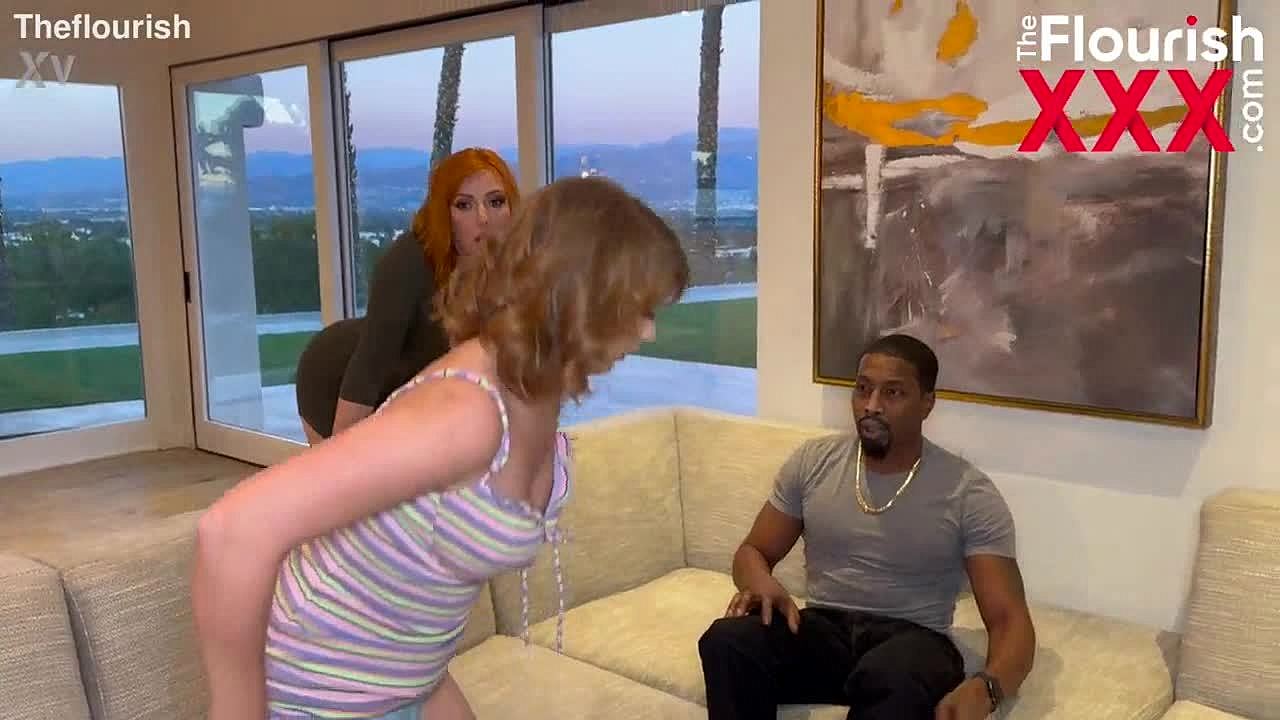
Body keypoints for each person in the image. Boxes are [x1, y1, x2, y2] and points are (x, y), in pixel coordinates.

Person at [191, 175, 691, 720]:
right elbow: (233, 531)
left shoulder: (536, 390)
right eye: (638, 309)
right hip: (316, 694)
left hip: (406, 684)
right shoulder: (466, 411)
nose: (648, 333)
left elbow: (415, 587)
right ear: (579, 297)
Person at [697, 334, 1036, 720]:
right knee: (727, 641)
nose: (871, 406)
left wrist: (987, 689)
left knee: (894, 677)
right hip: (823, 630)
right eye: (863, 389)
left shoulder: (968, 493)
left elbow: (1010, 621)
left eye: (892, 393)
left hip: (914, 640)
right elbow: (753, 551)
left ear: (927, 403)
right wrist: (759, 581)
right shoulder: (813, 462)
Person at [293, 147, 520, 445]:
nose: (483, 217)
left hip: (420, 393)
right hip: (336, 379)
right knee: (357, 473)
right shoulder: (410, 260)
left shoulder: (518, 265)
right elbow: (368, 369)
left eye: (496, 202)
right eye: (464, 205)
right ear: (443, 213)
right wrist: (336, 459)